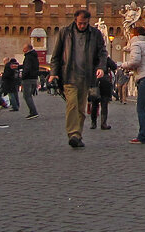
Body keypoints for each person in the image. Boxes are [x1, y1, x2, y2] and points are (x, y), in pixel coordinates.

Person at [48, 9, 107, 148]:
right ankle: (73, 133)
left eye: (85, 23)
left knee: (80, 108)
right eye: (80, 23)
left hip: (86, 76)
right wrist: (53, 73)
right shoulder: (65, 32)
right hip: (69, 75)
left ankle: (77, 135)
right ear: (75, 20)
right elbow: (56, 55)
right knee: (72, 105)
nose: (82, 26)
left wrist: (101, 67)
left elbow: (102, 53)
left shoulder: (95, 34)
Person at [89, 57, 116, 130]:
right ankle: (103, 123)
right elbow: (114, 66)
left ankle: (93, 123)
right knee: (104, 103)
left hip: (94, 81)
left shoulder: (92, 57)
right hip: (104, 81)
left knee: (94, 103)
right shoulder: (105, 58)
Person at [19, 42, 41, 119]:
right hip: (33, 78)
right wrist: (18, 67)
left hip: (28, 79)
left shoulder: (28, 57)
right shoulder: (34, 56)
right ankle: (33, 111)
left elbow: (27, 68)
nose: (23, 50)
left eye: (24, 48)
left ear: (28, 49)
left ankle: (33, 112)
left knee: (27, 96)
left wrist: (23, 76)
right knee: (28, 96)